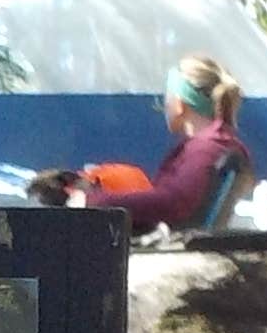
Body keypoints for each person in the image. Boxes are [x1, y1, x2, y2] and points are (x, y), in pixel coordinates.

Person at [91, 55, 251, 233]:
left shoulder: (206, 149)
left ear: (179, 104)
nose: (164, 107)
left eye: (166, 99)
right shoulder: (219, 145)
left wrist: (99, 202)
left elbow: (173, 202)